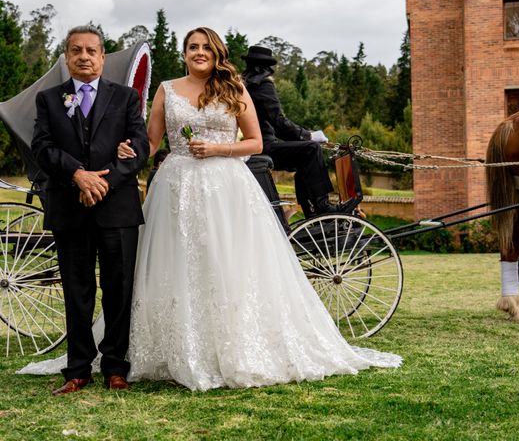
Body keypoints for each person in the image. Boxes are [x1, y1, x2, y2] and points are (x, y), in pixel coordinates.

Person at [20, 27, 400, 391]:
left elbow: (254, 143)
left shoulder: (235, 89)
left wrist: (219, 149)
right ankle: (160, 349)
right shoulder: (167, 90)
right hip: (176, 186)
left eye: (205, 47)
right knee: (174, 266)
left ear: (217, 54)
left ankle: (229, 346)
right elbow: (149, 141)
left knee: (226, 265)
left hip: (226, 187)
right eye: (192, 47)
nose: (198, 52)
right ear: (184, 54)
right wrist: (130, 155)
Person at [31, 25, 149, 395]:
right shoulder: (49, 99)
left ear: (102, 56)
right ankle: (78, 370)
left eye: (91, 51)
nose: (84, 56)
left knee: (119, 288)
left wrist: (103, 182)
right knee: (76, 290)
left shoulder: (127, 98)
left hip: (117, 209)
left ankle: (116, 367)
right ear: (66, 56)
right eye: (76, 50)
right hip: (69, 206)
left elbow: (140, 149)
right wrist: (78, 175)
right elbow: (43, 148)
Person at [242, 45, 358, 217]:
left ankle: (311, 208)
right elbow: (278, 122)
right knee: (311, 149)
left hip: (258, 145)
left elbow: (276, 125)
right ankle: (321, 206)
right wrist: (309, 135)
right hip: (264, 146)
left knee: (304, 156)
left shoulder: (247, 84)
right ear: (267, 67)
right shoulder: (262, 84)